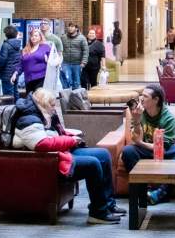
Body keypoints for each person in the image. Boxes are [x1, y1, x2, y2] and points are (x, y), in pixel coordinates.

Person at [13, 88, 125, 224]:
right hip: (50, 162)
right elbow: (42, 144)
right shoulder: (28, 119)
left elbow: (54, 134)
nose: (54, 108)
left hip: (61, 153)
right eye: (52, 105)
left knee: (103, 154)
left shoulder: (43, 114)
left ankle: (108, 204)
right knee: (93, 164)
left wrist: (69, 137)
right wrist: (70, 140)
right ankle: (98, 212)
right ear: (43, 104)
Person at [121, 84, 175, 205]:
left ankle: (160, 193)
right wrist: (137, 120)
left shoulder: (169, 119)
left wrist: (140, 143)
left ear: (156, 100)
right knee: (128, 151)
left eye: (145, 96)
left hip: (162, 151)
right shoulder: (139, 113)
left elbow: (160, 148)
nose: (141, 99)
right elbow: (135, 139)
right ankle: (142, 191)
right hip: (145, 150)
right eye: (141, 95)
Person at [11, 29, 51, 93]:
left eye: (36, 36)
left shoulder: (45, 47)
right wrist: (15, 73)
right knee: (29, 100)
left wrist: (49, 61)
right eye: (32, 36)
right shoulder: (26, 49)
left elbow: (54, 60)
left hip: (41, 78)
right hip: (28, 79)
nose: (33, 37)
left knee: (38, 100)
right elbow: (21, 64)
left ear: (40, 37)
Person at [60, 22, 88, 90]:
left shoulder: (82, 38)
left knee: (76, 82)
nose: (70, 28)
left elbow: (86, 51)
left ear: (76, 28)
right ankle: (67, 98)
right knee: (66, 80)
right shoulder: (63, 37)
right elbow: (60, 49)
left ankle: (75, 98)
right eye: (69, 26)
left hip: (77, 64)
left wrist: (83, 62)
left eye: (72, 27)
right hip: (65, 63)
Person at [0, 25, 21, 100]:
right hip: (14, 73)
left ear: (6, 35)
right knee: (15, 93)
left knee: (8, 97)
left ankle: (10, 111)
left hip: (6, 74)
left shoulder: (6, 45)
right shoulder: (17, 44)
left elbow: (2, 60)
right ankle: (18, 110)